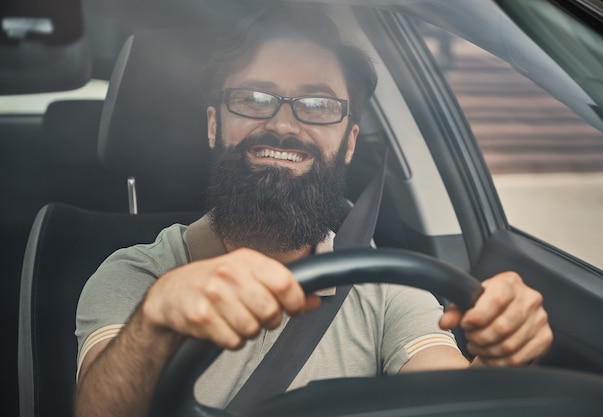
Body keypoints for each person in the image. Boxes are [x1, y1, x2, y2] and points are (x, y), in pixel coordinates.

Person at [73, 5, 553, 417]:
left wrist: (502, 362)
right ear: (214, 124)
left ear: (348, 143)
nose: (283, 125)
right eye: (254, 99)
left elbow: (448, 397)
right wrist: (156, 321)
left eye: (318, 105)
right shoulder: (135, 275)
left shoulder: (385, 288)